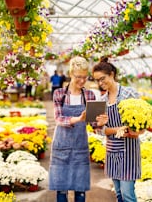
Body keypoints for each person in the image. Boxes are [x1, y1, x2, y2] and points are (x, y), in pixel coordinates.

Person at [49, 56, 108, 202]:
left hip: (80, 147)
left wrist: (101, 122)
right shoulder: (59, 94)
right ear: (70, 74)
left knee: (80, 191)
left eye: (85, 77)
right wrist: (77, 119)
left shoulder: (89, 95)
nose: (82, 81)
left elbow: (94, 124)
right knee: (61, 190)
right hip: (61, 147)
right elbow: (58, 119)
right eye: (78, 77)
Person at [92, 57, 145, 202]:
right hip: (112, 151)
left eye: (102, 78)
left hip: (129, 151)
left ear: (112, 75)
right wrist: (107, 127)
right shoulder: (102, 100)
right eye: (97, 80)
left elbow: (142, 123)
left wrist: (135, 132)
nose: (100, 83)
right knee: (119, 195)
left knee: (128, 194)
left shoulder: (129, 94)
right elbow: (101, 131)